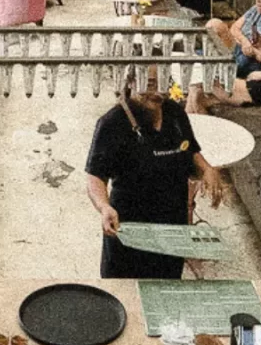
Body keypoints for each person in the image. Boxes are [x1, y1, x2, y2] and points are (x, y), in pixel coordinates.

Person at [84, 69, 228, 278]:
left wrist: (207, 169)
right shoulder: (112, 123)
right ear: (131, 81)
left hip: (172, 226)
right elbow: (95, 176)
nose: (159, 93)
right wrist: (104, 207)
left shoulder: (174, 113)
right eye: (150, 84)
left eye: (164, 83)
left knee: (167, 288)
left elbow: (190, 150)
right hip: (130, 228)